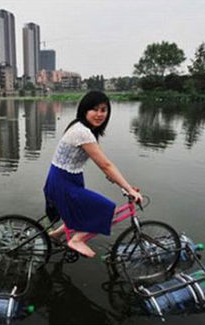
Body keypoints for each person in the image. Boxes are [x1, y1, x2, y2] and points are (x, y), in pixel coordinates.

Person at [43, 90, 143, 258]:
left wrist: (124, 186)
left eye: (103, 110)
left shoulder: (84, 129)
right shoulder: (82, 132)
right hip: (63, 183)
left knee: (83, 211)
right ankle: (76, 240)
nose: (99, 114)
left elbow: (103, 162)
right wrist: (129, 189)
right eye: (94, 109)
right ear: (85, 110)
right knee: (106, 208)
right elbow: (105, 165)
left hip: (65, 179)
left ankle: (57, 234)